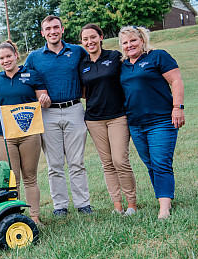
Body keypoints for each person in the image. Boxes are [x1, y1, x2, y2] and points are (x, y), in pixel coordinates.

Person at [25, 15, 92, 216]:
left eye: (56, 27)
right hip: (48, 113)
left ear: (62, 29)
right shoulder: (34, 57)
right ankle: (60, 206)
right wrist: (37, 99)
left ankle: (83, 204)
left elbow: (91, 73)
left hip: (74, 109)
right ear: (42, 33)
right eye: (48, 29)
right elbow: (25, 83)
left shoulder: (78, 51)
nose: (52, 31)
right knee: (54, 164)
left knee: (76, 161)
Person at [119, 26, 185, 219]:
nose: (129, 45)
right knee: (150, 164)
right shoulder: (123, 65)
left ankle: (164, 209)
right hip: (136, 123)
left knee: (161, 162)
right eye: (125, 42)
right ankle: (164, 197)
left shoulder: (158, 56)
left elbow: (176, 81)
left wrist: (177, 107)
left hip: (161, 120)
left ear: (142, 40)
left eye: (133, 41)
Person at [0, 40, 51, 224]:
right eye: (2, 58)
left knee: (30, 177)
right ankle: (14, 219)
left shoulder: (32, 75)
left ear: (16, 55)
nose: (6, 60)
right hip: (5, 135)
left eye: (9, 56)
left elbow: (44, 101)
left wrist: (45, 101)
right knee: (11, 180)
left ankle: (34, 217)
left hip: (29, 133)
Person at [79, 24, 137, 215]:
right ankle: (117, 206)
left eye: (93, 37)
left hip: (118, 116)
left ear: (101, 37)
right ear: (82, 42)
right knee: (107, 164)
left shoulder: (114, 57)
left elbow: (134, 63)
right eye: (85, 39)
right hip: (94, 119)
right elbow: (84, 92)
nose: (90, 42)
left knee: (120, 160)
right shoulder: (82, 64)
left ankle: (132, 205)